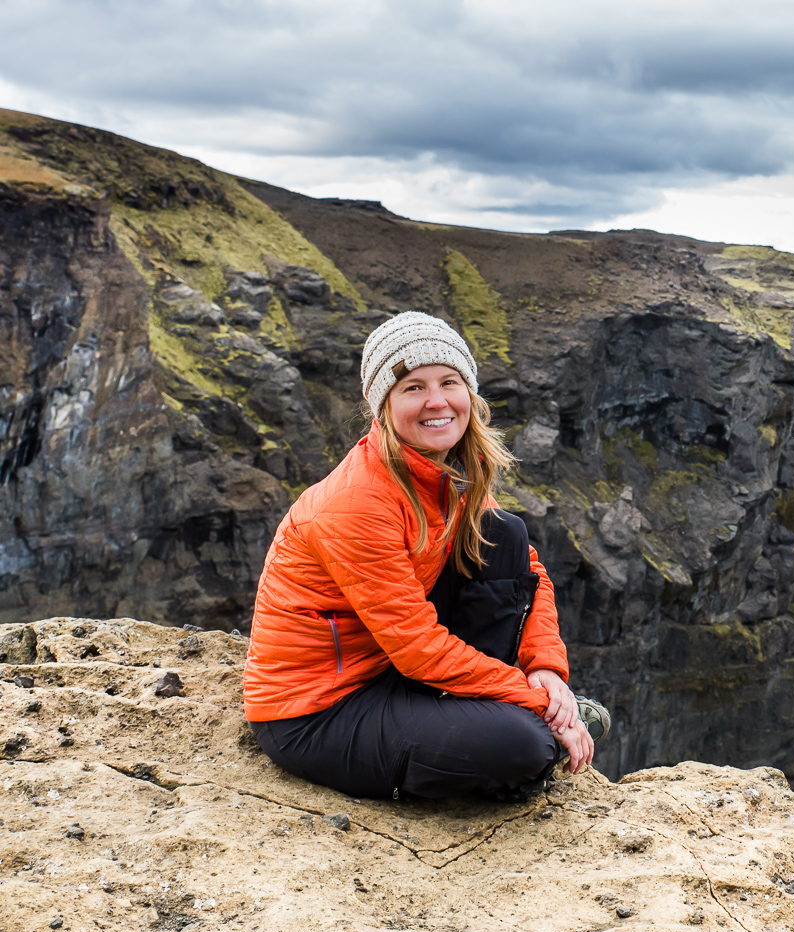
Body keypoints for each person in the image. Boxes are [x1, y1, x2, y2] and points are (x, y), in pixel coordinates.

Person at [243, 311, 607, 801]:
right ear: (383, 405)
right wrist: (542, 705)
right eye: (413, 387)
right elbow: (418, 649)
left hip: (390, 668)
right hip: (317, 710)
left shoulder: (445, 470)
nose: (437, 402)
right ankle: (518, 727)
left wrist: (545, 668)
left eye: (449, 382)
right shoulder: (356, 505)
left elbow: (531, 571)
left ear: (469, 394)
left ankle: (501, 717)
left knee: (504, 536)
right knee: (525, 747)